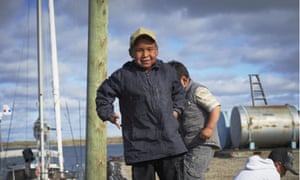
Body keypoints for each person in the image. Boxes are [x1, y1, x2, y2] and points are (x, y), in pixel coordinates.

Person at [95, 27, 187, 180]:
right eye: (139, 50)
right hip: (140, 149)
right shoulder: (122, 76)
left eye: (150, 49)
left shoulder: (168, 71)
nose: (145, 55)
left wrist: (177, 110)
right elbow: (103, 95)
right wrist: (109, 115)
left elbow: (180, 94)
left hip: (170, 145)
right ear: (131, 53)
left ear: (157, 50)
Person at [168, 61, 221, 180]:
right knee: (184, 173)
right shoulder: (176, 98)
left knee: (189, 174)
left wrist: (209, 128)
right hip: (188, 144)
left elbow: (215, 107)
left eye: (172, 86)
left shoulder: (197, 90)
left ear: (184, 80)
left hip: (203, 142)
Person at [234, 147, 299, 180]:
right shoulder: (273, 174)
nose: (284, 174)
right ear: (278, 165)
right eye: (284, 170)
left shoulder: (248, 169)